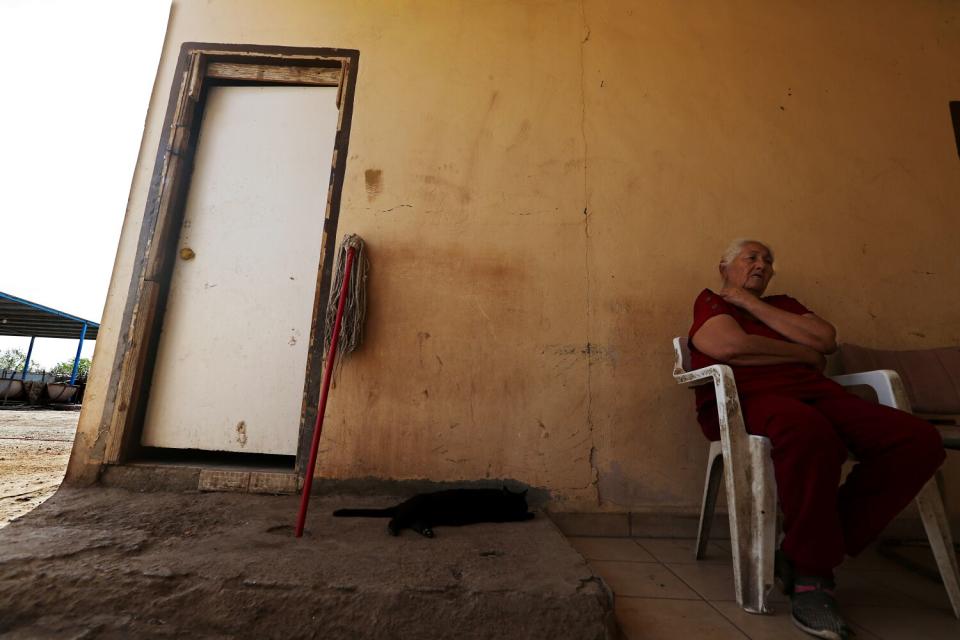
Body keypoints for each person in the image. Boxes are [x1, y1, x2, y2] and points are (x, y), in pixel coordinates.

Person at [688, 238, 945, 640]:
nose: (761, 264)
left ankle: (800, 550)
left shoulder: (784, 304)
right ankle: (812, 576)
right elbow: (728, 345)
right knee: (810, 434)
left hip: (819, 395)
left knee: (918, 440)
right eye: (750, 257)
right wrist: (800, 354)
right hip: (755, 398)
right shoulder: (711, 302)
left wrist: (753, 305)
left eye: (767, 260)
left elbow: (825, 341)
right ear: (725, 268)